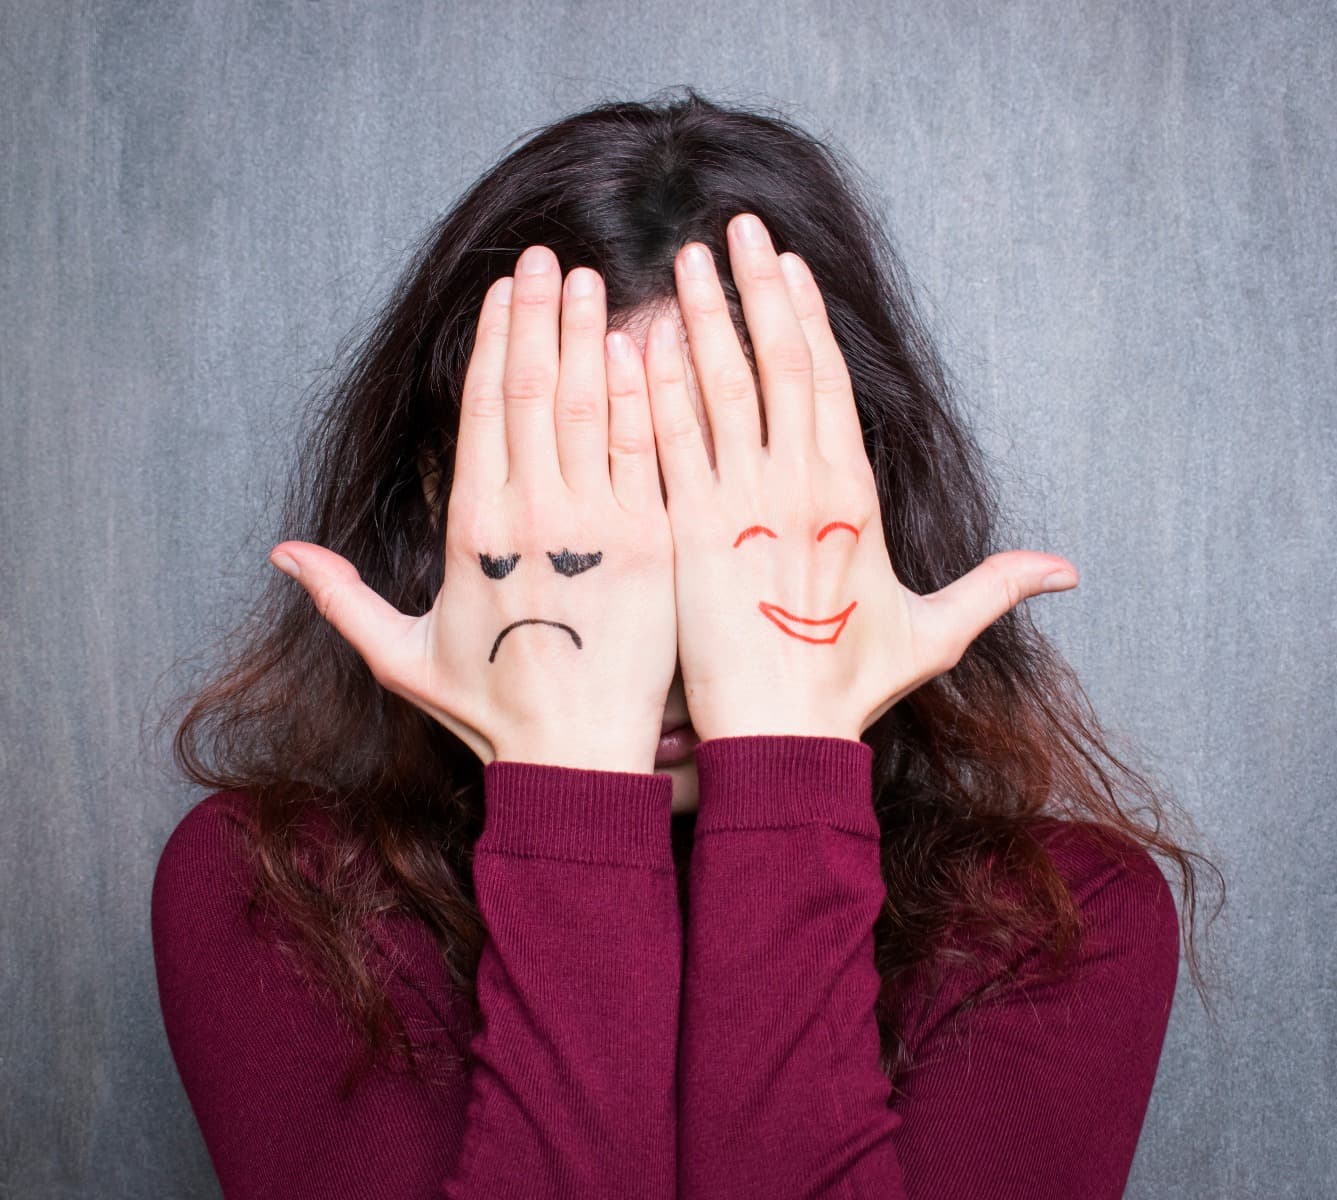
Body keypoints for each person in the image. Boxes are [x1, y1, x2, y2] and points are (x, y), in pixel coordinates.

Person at [152, 89, 1217, 1198]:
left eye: (723, 518)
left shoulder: (1058, 928)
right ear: (445, 509)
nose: (652, 632)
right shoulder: (273, 900)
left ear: (862, 511)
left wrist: (784, 756)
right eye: (588, 519)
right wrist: (569, 782)